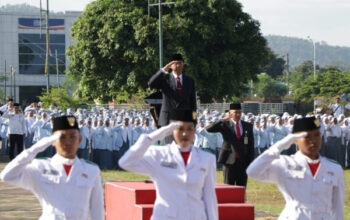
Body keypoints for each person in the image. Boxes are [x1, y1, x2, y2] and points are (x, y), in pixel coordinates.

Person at [119, 110, 218, 220]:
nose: (185, 134)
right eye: (180, 129)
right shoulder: (159, 155)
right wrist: (155, 136)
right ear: (172, 130)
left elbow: (209, 198)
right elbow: (126, 162)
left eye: (189, 129)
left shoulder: (207, 159)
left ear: (195, 131)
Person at [0, 116, 104, 220]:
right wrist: (34, 150)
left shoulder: (91, 170)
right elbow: (7, 175)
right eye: (62, 137)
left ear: (80, 139)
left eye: (72, 136)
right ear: (53, 140)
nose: (68, 142)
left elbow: (97, 209)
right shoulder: (41, 167)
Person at [247, 117, 345, 219]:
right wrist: (279, 146)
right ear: (295, 140)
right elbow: (253, 171)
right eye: (307, 136)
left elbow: (338, 209)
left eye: (317, 135)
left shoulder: (334, 169)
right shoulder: (286, 164)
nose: (313, 141)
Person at [206, 103, 254, 187]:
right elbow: (209, 129)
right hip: (229, 161)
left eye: (239, 112)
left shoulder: (247, 126)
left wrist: (250, 162)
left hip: (243, 162)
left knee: (242, 188)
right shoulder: (225, 125)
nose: (238, 115)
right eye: (235, 112)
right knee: (229, 187)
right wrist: (223, 120)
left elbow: (250, 145)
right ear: (230, 113)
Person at [148, 54, 197, 128]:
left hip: (185, 120)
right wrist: (164, 69)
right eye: (176, 63)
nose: (179, 65)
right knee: (170, 140)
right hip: (168, 120)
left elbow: (193, 103)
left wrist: (194, 120)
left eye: (181, 63)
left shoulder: (189, 81)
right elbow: (151, 83)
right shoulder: (165, 79)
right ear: (171, 65)